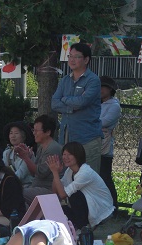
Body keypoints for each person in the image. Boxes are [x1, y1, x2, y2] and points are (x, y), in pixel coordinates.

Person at [51, 43, 103, 173]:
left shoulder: (93, 80)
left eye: (77, 57)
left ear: (86, 60)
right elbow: (54, 103)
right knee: (68, 178)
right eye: (70, 56)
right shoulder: (64, 80)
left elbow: (82, 102)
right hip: (67, 136)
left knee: (88, 177)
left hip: (87, 138)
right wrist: (71, 106)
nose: (72, 60)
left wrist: (64, 99)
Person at [47, 142, 114, 231]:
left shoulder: (85, 172)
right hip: (88, 207)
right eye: (64, 154)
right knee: (62, 208)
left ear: (78, 156)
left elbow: (63, 195)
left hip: (101, 211)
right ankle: (77, 227)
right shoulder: (69, 171)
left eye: (69, 154)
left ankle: (82, 228)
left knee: (74, 196)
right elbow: (56, 191)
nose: (65, 157)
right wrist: (56, 173)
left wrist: (54, 172)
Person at [14, 115, 62, 205]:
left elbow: (40, 173)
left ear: (47, 132)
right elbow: (33, 173)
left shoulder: (52, 148)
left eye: (36, 131)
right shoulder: (41, 147)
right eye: (33, 130)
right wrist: (28, 157)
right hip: (37, 186)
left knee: (17, 193)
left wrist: (25, 158)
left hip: (49, 190)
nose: (34, 133)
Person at [99, 76, 121, 210]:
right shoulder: (98, 104)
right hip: (95, 143)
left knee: (105, 177)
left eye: (104, 87)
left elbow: (103, 122)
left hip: (105, 146)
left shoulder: (114, 106)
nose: (100, 90)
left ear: (110, 90)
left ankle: (114, 206)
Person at [2, 121, 35, 187]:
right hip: (9, 185)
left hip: (26, 186)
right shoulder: (7, 153)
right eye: (11, 133)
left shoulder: (29, 153)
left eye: (16, 133)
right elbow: (3, 171)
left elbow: (21, 174)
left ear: (23, 136)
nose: (13, 136)